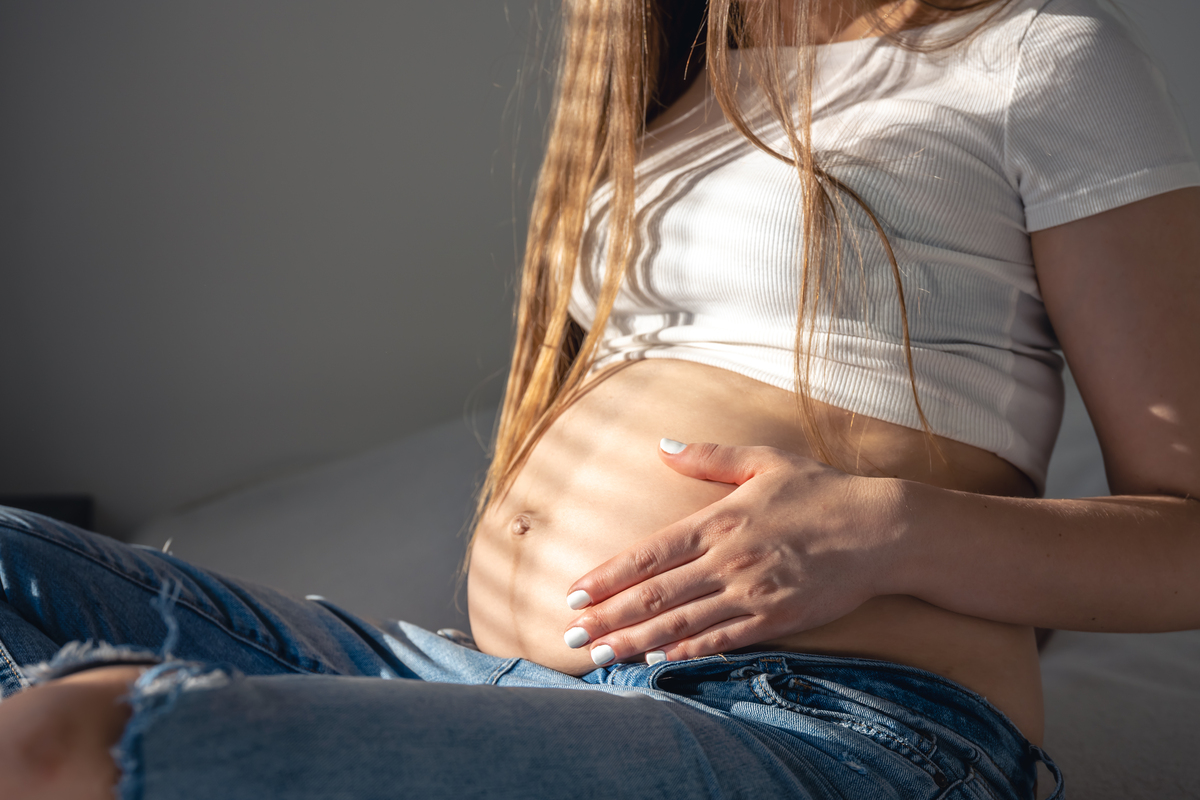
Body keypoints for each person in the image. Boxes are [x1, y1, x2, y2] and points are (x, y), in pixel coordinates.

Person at [1, 0, 1197, 797]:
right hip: (495, 681)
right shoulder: (680, 95)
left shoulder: (1037, 58)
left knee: (82, 734)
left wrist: (885, 527)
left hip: (825, 721)